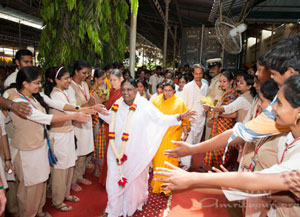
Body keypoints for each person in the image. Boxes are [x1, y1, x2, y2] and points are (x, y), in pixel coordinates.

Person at [155, 74, 300, 215]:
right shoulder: (286, 135)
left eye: (279, 103)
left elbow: (259, 181)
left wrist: (191, 179)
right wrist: (230, 183)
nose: (272, 109)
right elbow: (282, 193)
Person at [96, 78, 195, 217]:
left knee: (132, 183)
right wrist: (98, 111)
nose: (126, 93)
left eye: (129, 89)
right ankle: (113, 210)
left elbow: (160, 119)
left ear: (136, 90)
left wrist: (179, 117)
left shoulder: (144, 105)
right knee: (113, 182)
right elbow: (110, 119)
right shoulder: (117, 105)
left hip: (135, 152)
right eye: (123, 90)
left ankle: (129, 207)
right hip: (115, 151)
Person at [9, 66, 89, 217]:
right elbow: (44, 118)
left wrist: (78, 109)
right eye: (37, 83)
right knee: (29, 188)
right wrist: (73, 116)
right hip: (26, 149)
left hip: (39, 146)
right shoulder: (18, 101)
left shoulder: (35, 96)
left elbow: (56, 105)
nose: (40, 86)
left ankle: (38, 211)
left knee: (41, 182)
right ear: (25, 84)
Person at [44, 66, 81, 212]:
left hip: (68, 133)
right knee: (60, 170)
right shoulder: (55, 95)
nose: (68, 81)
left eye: (68, 77)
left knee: (69, 165)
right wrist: (82, 109)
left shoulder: (63, 92)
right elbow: (70, 109)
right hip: (59, 136)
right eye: (65, 78)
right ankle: (57, 201)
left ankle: (65, 194)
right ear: (56, 80)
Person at [151, 80, 189, 194]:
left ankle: (169, 186)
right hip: (158, 135)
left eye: (170, 91)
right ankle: (158, 184)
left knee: (170, 160)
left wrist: (185, 133)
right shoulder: (156, 100)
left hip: (173, 134)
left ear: (174, 91)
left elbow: (184, 120)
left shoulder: (179, 102)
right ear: (162, 90)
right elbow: (151, 116)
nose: (167, 93)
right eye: (165, 90)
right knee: (158, 160)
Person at [67, 60, 95, 192]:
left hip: (86, 120)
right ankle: (72, 181)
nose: (86, 75)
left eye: (88, 73)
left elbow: (87, 102)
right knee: (77, 153)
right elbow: (74, 108)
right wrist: (89, 103)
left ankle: (80, 175)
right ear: (76, 71)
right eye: (84, 73)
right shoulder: (70, 86)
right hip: (76, 123)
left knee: (85, 151)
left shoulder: (84, 84)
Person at [203, 71, 238, 168]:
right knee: (216, 146)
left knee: (222, 148)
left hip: (225, 126)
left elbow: (233, 114)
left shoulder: (232, 95)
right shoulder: (225, 93)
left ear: (231, 82)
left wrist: (217, 115)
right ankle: (214, 169)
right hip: (218, 124)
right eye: (220, 81)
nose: (222, 84)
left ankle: (220, 170)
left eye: (224, 81)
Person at [180, 64, 208, 170]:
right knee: (188, 143)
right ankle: (185, 167)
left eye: (200, 73)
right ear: (192, 74)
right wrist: (185, 123)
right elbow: (184, 105)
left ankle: (189, 164)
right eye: (196, 73)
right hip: (190, 120)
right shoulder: (187, 87)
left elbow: (205, 101)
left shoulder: (205, 86)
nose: (198, 75)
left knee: (195, 143)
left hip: (201, 120)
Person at [99, 69, 123, 187]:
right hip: (109, 124)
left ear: (121, 79)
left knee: (115, 153)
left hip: (117, 128)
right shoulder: (113, 91)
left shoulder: (123, 93)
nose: (112, 82)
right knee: (109, 153)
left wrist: (100, 110)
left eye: (115, 80)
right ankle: (108, 179)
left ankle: (114, 181)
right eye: (110, 80)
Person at [90, 69, 109, 177]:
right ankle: (96, 168)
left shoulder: (99, 90)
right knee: (96, 145)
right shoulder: (92, 92)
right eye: (102, 79)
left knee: (100, 145)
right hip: (96, 121)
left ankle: (98, 168)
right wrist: (102, 101)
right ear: (96, 79)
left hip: (100, 120)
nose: (104, 81)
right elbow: (94, 105)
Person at [204, 58, 224, 140]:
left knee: (210, 138)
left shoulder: (219, 81)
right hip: (210, 112)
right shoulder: (214, 79)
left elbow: (217, 101)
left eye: (214, 69)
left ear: (220, 69)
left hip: (213, 114)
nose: (211, 70)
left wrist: (212, 118)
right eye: (210, 68)